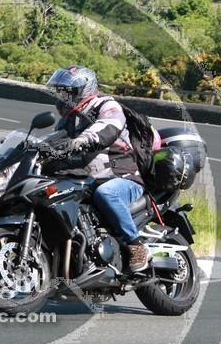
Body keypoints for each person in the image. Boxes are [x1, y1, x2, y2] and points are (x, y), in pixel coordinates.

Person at [45, 65, 152, 272]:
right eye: (60, 92)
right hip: (88, 181)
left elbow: (107, 127)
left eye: (67, 91)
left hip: (122, 178)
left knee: (106, 193)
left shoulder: (107, 106)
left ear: (83, 90)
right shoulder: (68, 120)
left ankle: (136, 245)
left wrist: (83, 140)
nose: (63, 96)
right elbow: (54, 142)